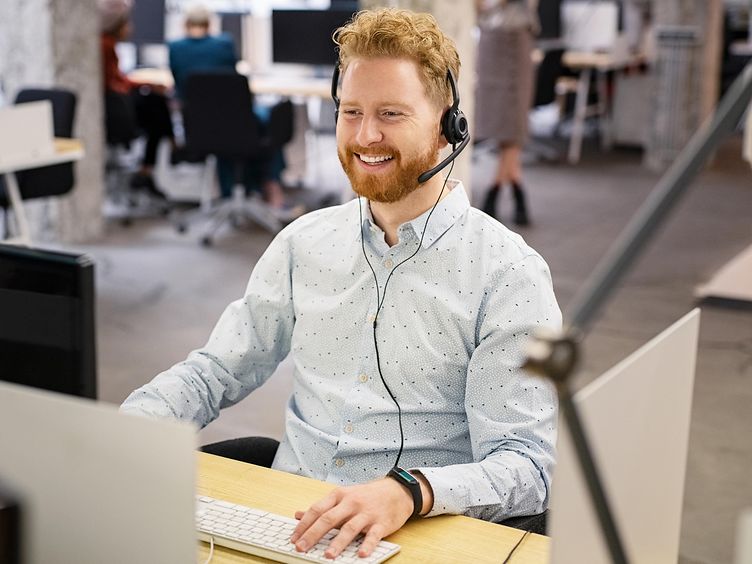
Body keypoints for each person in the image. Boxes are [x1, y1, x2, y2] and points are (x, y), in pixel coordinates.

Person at [121, 8, 560, 560]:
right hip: (291, 521)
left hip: (418, 535)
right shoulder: (303, 243)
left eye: (391, 113)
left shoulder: (506, 273)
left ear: (448, 122)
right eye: (350, 112)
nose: (365, 135)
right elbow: (217, 369)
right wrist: (122, 432)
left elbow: (527, 465)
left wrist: (412, 491)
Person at [168, 5, 294, 214]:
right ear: (209, 25)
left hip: (199, 129)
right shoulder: (224, 44)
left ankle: (234, 192)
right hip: (236, 123)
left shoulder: (175, 48)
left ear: (185, 25)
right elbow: (229, 80)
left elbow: (180, 89)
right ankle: (270, 186)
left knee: (229, 133)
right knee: (266, 122)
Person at [99, 0, 173, 199]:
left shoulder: (108, 44)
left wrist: (143, 83)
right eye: (127, 23)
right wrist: (144, 84)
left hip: (119, 106)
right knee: (156, 105)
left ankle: (154, 162)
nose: (131, 28)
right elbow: (115, 84)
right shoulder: (104, 45)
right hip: (118, 113)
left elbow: (118, 80)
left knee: (156, 102)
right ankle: (171, 147)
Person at [475, 0, 539, 226]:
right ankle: (515, 186)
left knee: (513, 124)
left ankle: (494, 190)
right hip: (490, 42)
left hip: (515, 38)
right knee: (500, 124)